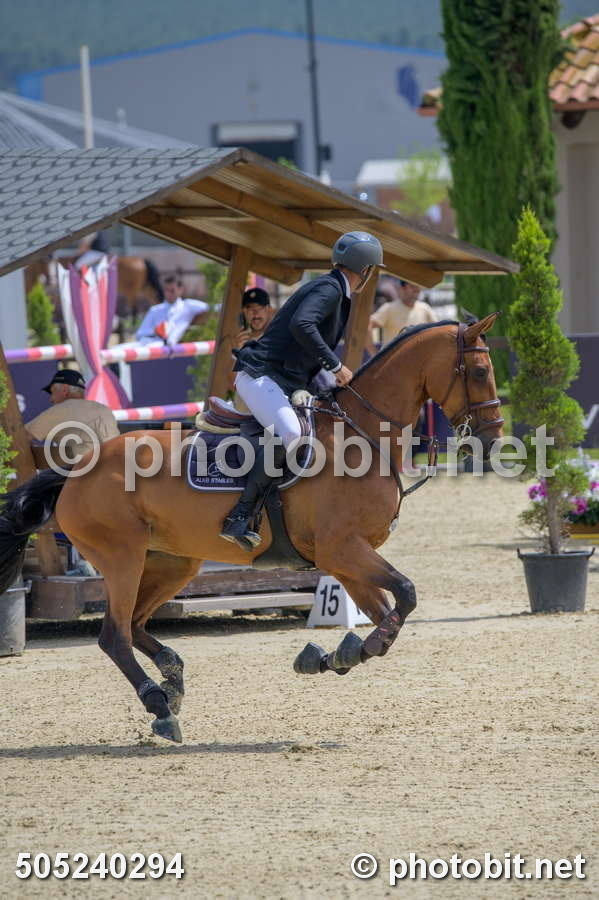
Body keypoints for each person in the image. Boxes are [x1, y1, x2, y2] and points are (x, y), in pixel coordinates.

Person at [219, 231, 385, 550]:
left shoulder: (334, 289)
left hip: (282, 382)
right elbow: (302, 325)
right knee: (292, 433)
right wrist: (335, 366)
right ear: (365, 270)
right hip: (261, 376)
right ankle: (240, 515)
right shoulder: (330, 289)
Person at [25, 369, 119, 459]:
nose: (51, 399)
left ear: (65, 390)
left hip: (90, 468)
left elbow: (23, 436)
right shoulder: (105, 409)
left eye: (52, 392)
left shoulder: (62, 409)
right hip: (118, 465)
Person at [135, 275, 209, 346]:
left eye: (172, 290)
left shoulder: (188, 306)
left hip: (168, 347)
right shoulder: (155, 310)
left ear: (180, 290)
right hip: (150, 344)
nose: (169, 294)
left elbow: (211, 308)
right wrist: (156, 331)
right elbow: (140, 334)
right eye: (166, 290)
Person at [366, 278, 436, 353]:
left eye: (418, 286)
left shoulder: (425, 308)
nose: (417, 289)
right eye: (412, 286)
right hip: (393, 358)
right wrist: (373, 352)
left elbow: (437, 329)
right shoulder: (389, 308)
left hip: (418, 358)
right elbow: (368, 324)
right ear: (403, 288)